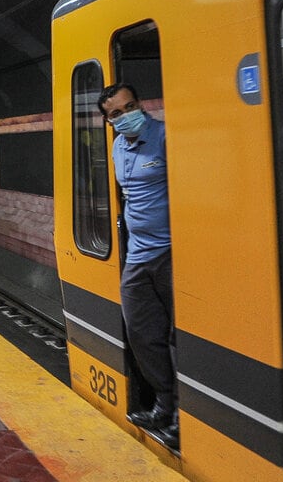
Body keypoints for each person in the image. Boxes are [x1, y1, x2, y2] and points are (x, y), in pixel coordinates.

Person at [98, 82, 178, 450]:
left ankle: (182, 415)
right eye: (116, 114)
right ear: (109, 120)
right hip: (138, 256)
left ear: (140, 105)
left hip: (172, 254)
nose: (126, 116)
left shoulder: (165, 137)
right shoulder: (117, 146)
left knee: (181, 336)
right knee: (142, 333)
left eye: (130, 107)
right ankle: (164, 403)